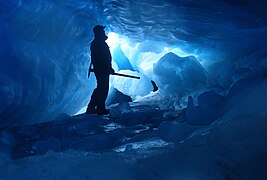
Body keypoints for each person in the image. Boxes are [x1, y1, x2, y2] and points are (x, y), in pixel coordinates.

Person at [86, 25, 114, 115]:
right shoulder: (98, 43)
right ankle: (100, 109)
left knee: (100, 88)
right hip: (102, 69)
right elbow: (101, 58)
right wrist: (106, 68)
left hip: (101, 69)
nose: (103, 33)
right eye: (102, 31)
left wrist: (108, 68)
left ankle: (92, 108)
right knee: (103, 88)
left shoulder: (98, 42)